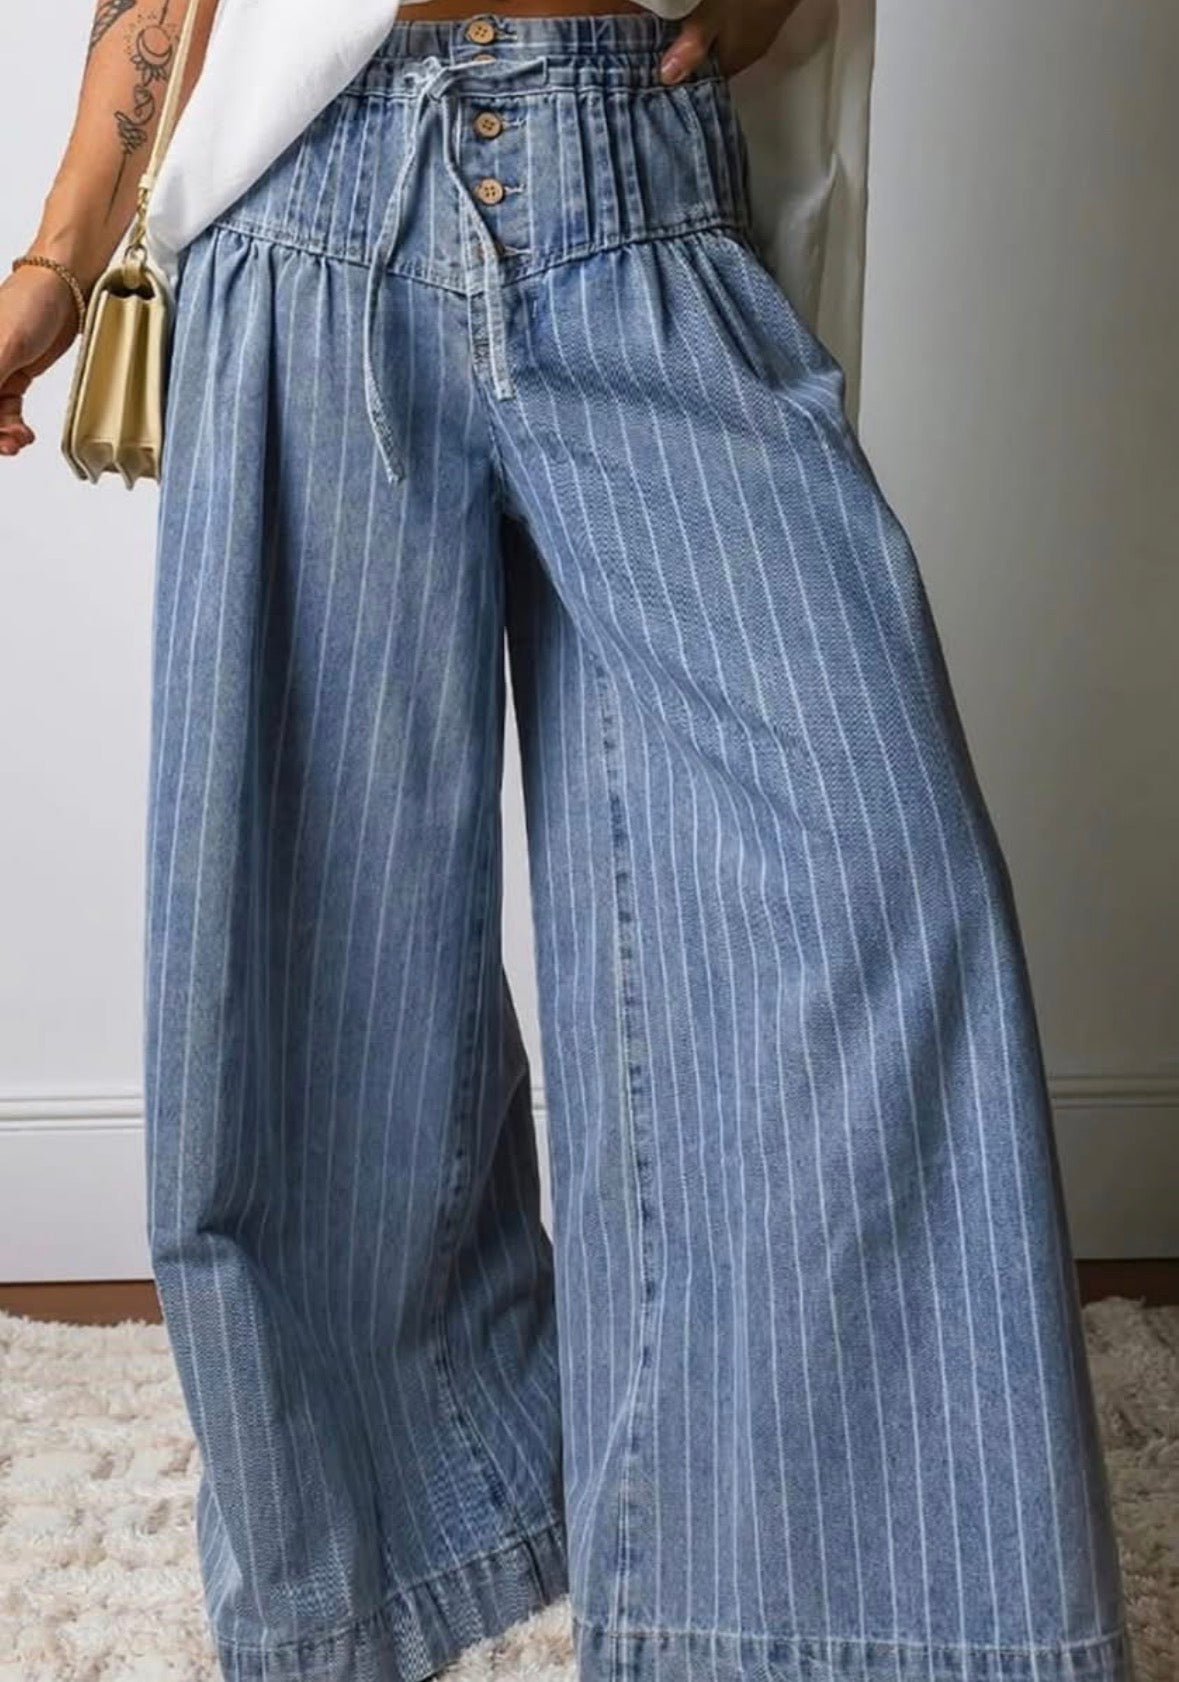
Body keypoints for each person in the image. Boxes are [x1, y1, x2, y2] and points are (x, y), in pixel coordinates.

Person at [0, 4, 1136, 1682]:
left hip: (631, 167)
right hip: (306, 211)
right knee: (317, 962)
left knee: (880, 881)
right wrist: (56, 251)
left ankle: (795, 1598)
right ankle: (392, 1556)